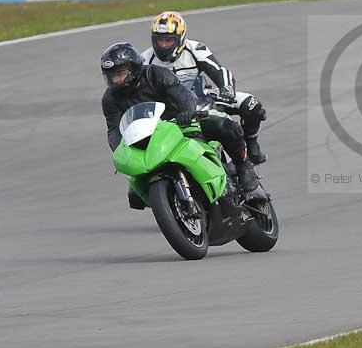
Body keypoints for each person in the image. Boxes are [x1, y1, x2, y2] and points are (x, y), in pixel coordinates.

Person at [100, 42, 261, 209]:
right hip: (149, 137)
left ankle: (243, 167)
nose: (116, 80)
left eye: (120, 74)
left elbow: (183, 94)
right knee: (135, 195)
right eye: (111, 76)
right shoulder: (110, 99)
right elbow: (114, 129)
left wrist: (188, 110)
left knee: (224, 126)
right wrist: (120, 148)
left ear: (133, 69)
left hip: (182, 122)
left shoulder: (156, 74)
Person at [139, 11, 267, 165]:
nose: (164, 45)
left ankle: (251, 144)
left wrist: (226, 88)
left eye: (168, 40)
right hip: (166, 112)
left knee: (251, 104)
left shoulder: (195, 49)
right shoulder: (144, 60)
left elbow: (219, 70)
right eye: (160, 40)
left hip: (201, 100)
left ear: (180, 38)